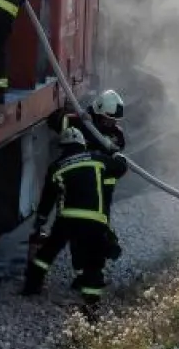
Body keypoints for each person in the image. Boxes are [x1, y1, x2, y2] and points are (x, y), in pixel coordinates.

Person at [21, 126, 128, 307]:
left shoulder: (57, 167)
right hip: (94, 219)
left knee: (47, 253)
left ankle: (31, 287)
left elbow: (47, 199)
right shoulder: (97, 159)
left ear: (63, 147)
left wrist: (41, 221)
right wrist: (116, 153)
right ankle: (91, 304)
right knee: (93, 262)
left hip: (67, 219)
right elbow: (121, 167)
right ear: (82, 144)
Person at [47, 90, 126, 258]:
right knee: (78, 219)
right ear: (98, 111)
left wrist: (87, 125)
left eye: (114, 120)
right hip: (79, 182)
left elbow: (110, 146)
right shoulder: (78, 121)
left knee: (100, 218)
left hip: (103, 185)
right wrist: (76, 117)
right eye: (108, 119)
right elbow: (53, 120)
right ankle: (88, 254)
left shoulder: (115, 134)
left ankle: (103, 246)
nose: (111, 123)